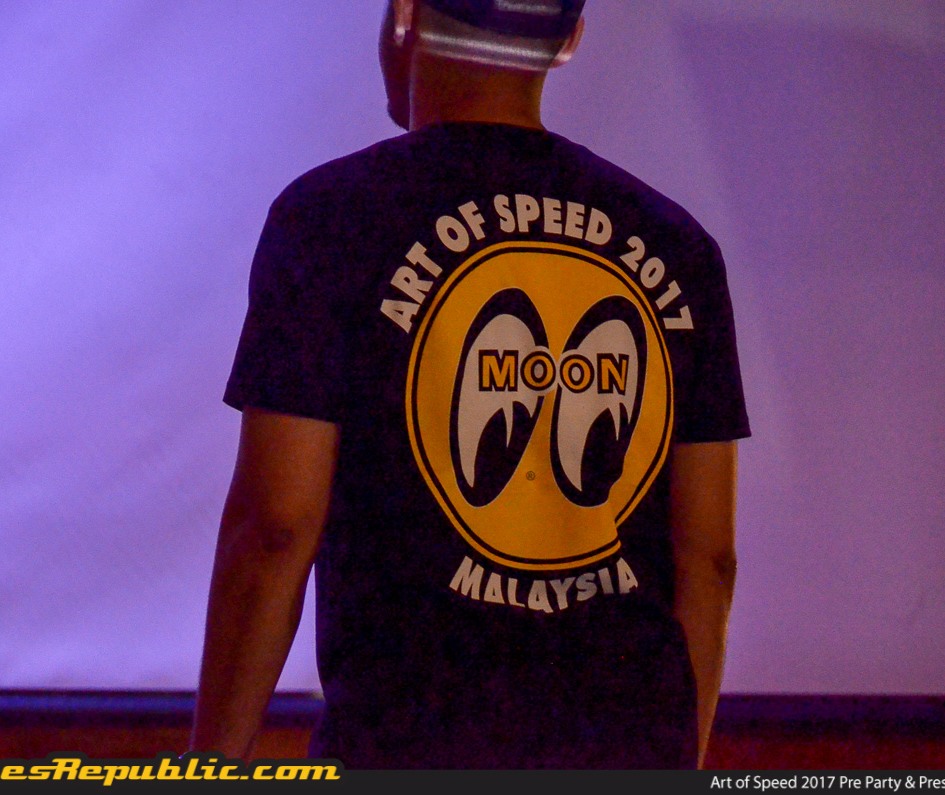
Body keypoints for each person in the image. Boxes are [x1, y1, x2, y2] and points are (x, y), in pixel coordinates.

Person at [190, 0, 749, 770]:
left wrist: (212, 764)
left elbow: (276, 524)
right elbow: (709, 558)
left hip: (412, 745)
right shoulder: (679, 246)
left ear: (405, 15)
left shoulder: (331, 218)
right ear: (570, 40)